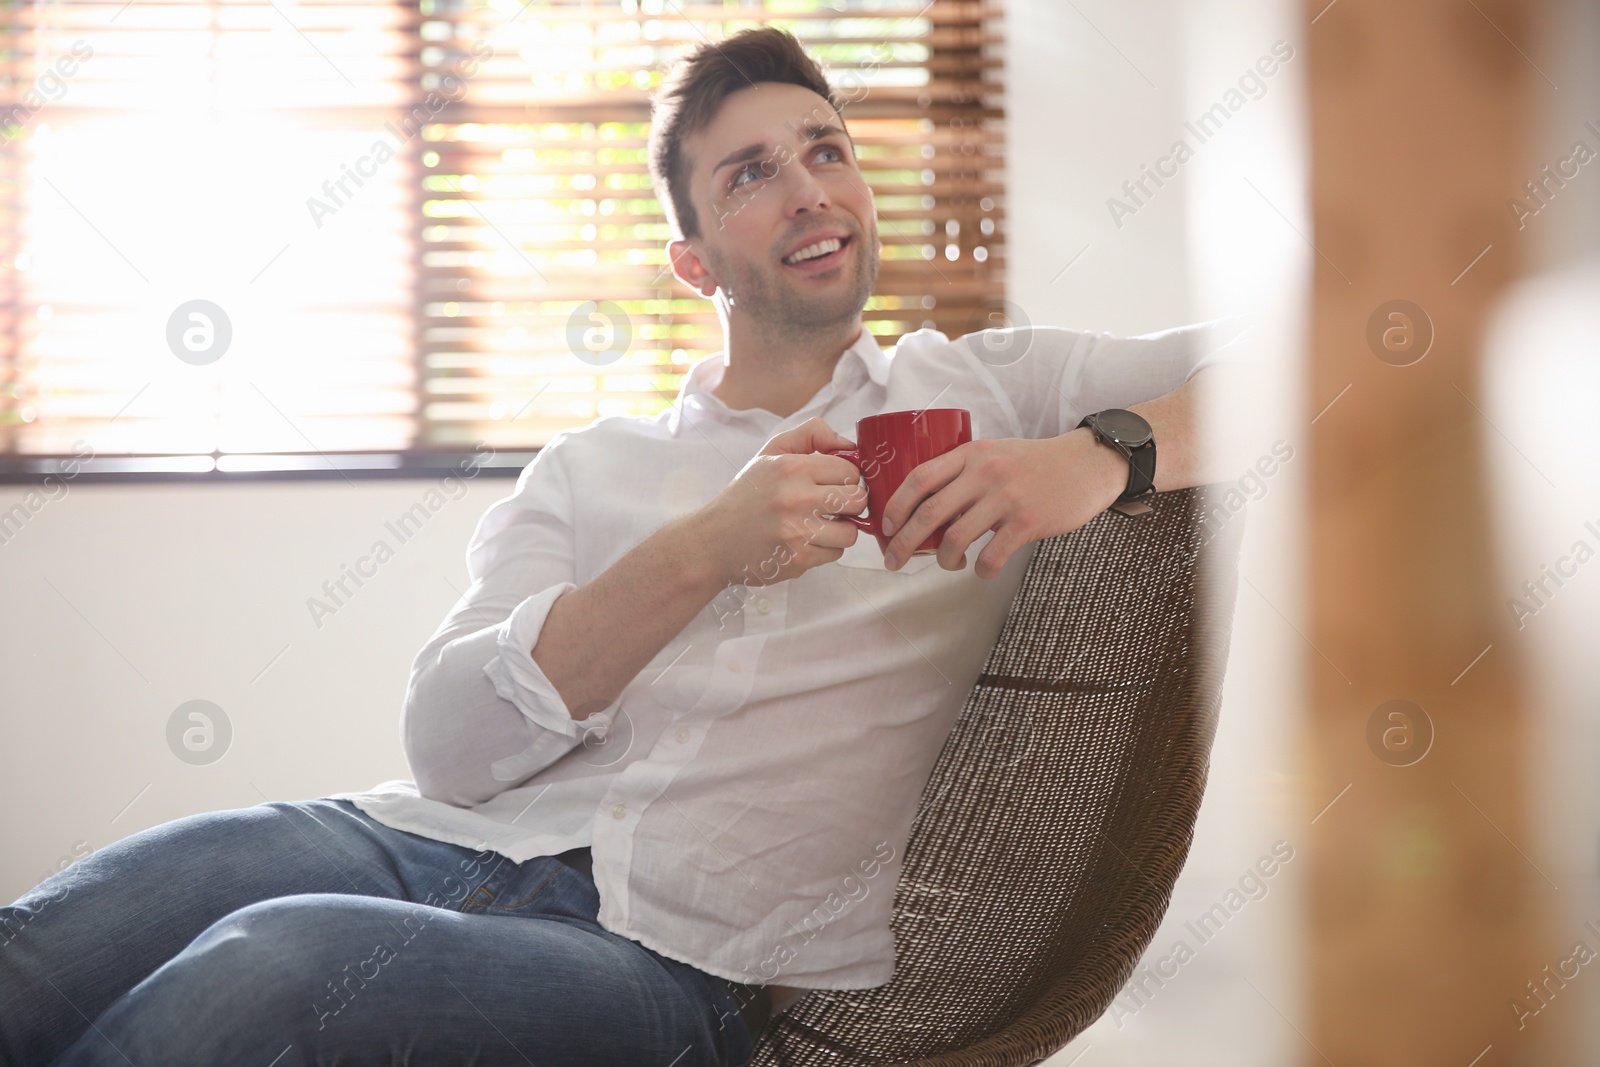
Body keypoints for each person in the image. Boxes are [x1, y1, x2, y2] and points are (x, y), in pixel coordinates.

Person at [0, 25, 1246, 1067]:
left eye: (827, 151)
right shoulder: (591, 468)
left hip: (672, 965)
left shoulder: (989, 389)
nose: (810, 187)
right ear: (692, 260)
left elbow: (1335, 352)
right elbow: (448, 747)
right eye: (751, 172)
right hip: (430, 842)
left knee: (268, 966)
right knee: (43, 948)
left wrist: (1094, 456)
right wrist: (700, 550)